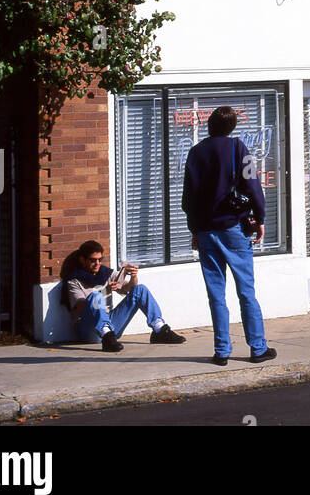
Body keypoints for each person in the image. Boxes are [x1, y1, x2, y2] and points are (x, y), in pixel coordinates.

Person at [182, 105, 276, 366]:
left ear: (210, 125)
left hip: (205, 231)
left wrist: (194, 229)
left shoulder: (195, 153)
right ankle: (257, 348)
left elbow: (188, 198)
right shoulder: (239, 149)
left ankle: (222, 350)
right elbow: (253, 186)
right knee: (246, 290)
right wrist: (260, 218)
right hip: (233, 228)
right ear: (232, 127)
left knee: (216, 293)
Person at [60, 240, 186, 352]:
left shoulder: (105, 273)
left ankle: (159, 329)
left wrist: (133, 276)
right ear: (83, 260)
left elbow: (128, 289)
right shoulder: (74, 281)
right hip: (88, 330)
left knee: (140, 289)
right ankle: (107, 337)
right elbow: (81, 307)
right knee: (95, 297)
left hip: (111, 325)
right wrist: (105, 291)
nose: (97, 263)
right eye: (93, 260)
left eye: (100, 260)